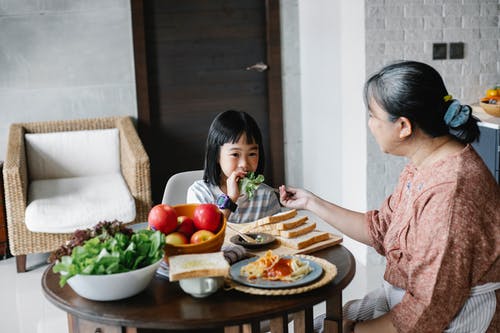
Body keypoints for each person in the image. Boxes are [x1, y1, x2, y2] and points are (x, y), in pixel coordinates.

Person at [279, 61, 500, 332]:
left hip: (451, 318)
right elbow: (381, 230)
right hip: (408, 303)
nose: (370, 124)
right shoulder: (423, 163)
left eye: (373, 115)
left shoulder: (450, 194)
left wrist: (353, 330)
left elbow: (428, 310)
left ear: (404, 126)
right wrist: (311, 202)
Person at [187, 110, 281, 223]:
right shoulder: (200, 193)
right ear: (216, 155)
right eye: (235, 154)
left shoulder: (266, 196)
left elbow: (277, 237)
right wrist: (231, 199)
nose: (244, 164)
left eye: (252, 154)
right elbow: (207, 236)